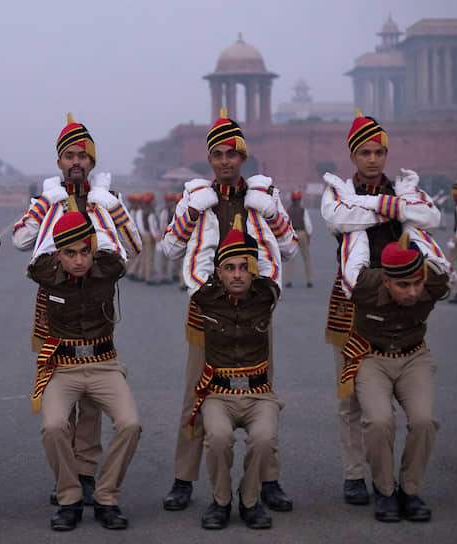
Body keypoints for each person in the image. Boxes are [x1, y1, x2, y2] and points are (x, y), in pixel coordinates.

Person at [160, 109, 297, 513]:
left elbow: (288, 246)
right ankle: (183, 478)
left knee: (263, 393)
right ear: (210, 159)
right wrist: (191, 210)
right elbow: (170, 247)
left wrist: (271, 210)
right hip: (207, 310)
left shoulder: (263, 196)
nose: (225, 161)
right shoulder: (196, 199)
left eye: (232, 154)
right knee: (195, 396)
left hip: (255, 311)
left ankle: (268, 479)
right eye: (218, 154)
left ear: (242, 159)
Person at [12, 114, 141, 505]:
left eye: (83, 156)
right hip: (55, 301)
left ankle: (85, 471)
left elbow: (132, 245)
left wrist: (106, 212)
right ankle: (67, 473)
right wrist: (46, 209)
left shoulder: (107, 200)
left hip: (96, 301)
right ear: (58, 162)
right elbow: (20, 239)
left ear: (92, 162)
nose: (76, 162)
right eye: (69, 155)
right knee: (61, 388)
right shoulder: (47, 199)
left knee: (91, 399)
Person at [321, 110, 440, 505]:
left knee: (390, 399)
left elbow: (429, 216)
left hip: (397, 298)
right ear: (353, 156)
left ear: (386, 155)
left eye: (379, 152)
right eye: (365, 153)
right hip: (353, 299)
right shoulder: (337, 192)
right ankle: (355, 473)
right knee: (351, 399)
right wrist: (395, 208)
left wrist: (378, 206)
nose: (373, 159)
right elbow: (340, 219)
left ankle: (390, 479)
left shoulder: (399, 190)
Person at [28, 211, 141, 531]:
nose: (79, 260)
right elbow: (34, 257)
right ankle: (69, 497)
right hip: (62, 367)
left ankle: (106, 496)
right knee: (53, 426)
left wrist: (102, 212)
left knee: (130, 424)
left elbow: (125, 250)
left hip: (103, 364)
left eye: (84, 251)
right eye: (70, 253)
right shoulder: (46, 272)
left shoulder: (108, 269)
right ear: (57, 254)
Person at [336, 230, 451, 522]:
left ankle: (409, 492)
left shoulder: (435, 282)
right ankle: (385, 491)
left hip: (414, 357)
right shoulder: (362, 285)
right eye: (403, 285)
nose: (413, 292)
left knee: (424, 421)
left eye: (417, 283)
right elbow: (351, 249)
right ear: (386, 281)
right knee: (378, 421)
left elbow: (438, 260)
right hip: (372, 357)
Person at [187, 216, 283, 530]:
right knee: (216, 437)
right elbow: (195, 260)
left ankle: (251, 500)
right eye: (230, 268)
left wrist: (257, 217)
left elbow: (273, 255)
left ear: (253, 270)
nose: (238, 275)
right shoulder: (205, 299)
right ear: (218, 273)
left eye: (244, 267)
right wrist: (208, 225)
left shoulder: (266, 295)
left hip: (259, 393)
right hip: (219, 392)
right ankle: (221, 500)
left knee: (264, 438)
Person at [284, 190, 313, 288]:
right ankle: (309, 280)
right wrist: (308, 236)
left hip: (291, 235)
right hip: (302, 233)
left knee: (290, 259)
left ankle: (289, 280)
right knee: (306, 258)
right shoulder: (303, 210)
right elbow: (308, 225)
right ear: (300, 199)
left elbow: (285, 224)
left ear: (292, 199)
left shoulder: (288, 210)